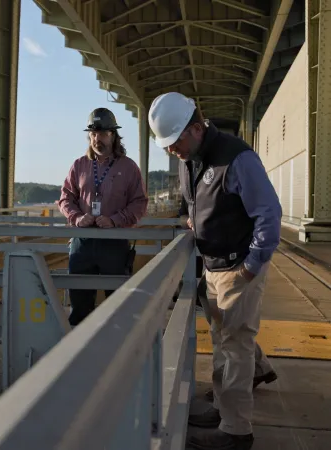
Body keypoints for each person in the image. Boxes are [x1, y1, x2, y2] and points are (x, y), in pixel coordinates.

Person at [149, 92, 282, 450]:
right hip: (212, 266)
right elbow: (198, 202)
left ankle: (235, 431)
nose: (171, 151)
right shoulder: (189, 159)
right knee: (223, 342)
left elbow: (269, 215)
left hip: (238, 267)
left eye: (174, 143)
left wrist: (251, 268)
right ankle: (225, 408)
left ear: (195, 128)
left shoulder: (237, 158)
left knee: (236, 346)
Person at [179, 195, 278, 403]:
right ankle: (234, 392)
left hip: (236, 262)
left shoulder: (236, 163)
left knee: (233, 334)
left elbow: (269, 212)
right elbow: (186, 211)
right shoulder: (192, 170)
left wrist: (252, 265)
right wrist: (191, 219)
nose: (180, 160)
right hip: (216, 262)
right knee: (226, 327)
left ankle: (229, 416)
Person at [59, 108, 148, 326]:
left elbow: (140, 203)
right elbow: (65, 198)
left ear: (114, 135)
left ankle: (116, 352)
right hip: (83, 242)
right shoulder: (79, 165)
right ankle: (80, 350)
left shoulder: (128, 168)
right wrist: (77, 217)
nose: (97, 139)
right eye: (93, 134)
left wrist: (115, 220)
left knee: (117, 304)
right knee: (79, 303)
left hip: (114, 242)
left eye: (103, 133)